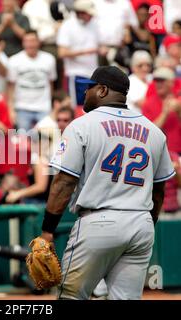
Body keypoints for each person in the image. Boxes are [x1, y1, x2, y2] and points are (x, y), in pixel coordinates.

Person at [35, 66, 175, 300]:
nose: (85, 93)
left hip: (98, 221)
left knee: (70, 296)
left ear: (102, 90)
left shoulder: (82, 125)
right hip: (141, 223)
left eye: (89, 88)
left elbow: (63, 183)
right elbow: (159, 189)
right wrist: (146, 223)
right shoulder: (154, 131)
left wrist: (47, 231)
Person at [57, 0, 104, 107]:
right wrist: (87, 51)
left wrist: (101, 50)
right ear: (81, 13)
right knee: (75, 108)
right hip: (75, 74)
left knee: (91, 108)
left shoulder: (94, 24)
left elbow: (99, 45)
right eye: (89, 14)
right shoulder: (68, 26)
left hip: (92, 74)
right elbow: (62, 52)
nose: (91, 16)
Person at [7, 30, 57, 129]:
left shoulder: (49, 59)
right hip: (22, 107)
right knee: (23, 140)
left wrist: (51, 104)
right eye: (27, 41)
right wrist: (10, 109)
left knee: (47, 139)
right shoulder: (14, 60)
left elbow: (51, 83)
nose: (30, 44)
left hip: (43, 107)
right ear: (23, 43)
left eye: (33, 41)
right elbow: (10, 87)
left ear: (38, 42)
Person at [142, 67, 181, 155]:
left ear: (171, 83)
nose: (158, 84)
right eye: (156, 81)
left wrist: (179, 112)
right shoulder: (149, 103)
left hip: (178, 151)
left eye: (162, 81)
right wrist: (164, 114)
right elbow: (147, 132)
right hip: (158, 152)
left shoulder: (179, 100)